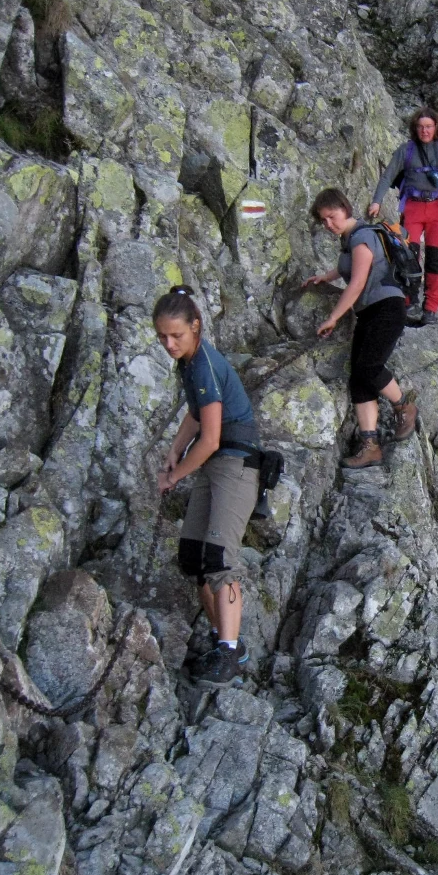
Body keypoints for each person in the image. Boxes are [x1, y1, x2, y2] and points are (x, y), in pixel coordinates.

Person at [154, 285, 259, 688]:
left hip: (235, 462)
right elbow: (196, 417)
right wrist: (175, 451)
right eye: (162, 336)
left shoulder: (203, 365)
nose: (168, 344)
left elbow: (212, 437)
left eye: (176, 335)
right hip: (217, 461)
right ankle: (224, 641)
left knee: (218, 559)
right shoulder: (191, 362)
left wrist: (175, 475)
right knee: (194, 558)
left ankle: (229, 653)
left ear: (195, 326)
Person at [304, 187, 417, 468]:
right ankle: (370, 447)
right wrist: (326, 276)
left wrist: (333, 318)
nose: (329, 225)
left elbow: (357, 282)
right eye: (324, 221)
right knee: (358, 377)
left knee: (369, 367)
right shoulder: (351, 239)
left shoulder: (363, 236)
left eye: (332, 216)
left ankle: (404, 406)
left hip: (387, 309)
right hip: (370, 313)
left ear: (345, 208)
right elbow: (349, 270)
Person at [368, 107, 438, 324]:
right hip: (412, 207)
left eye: (429, 126)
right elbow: (387, 176)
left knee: (434, 258)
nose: (425, 131)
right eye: (420, 127)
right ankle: (408, 299)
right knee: (407, 256)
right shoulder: (406, 151)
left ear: (436, 127)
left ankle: (431, 305)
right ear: (415, 128)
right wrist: (376, 200)